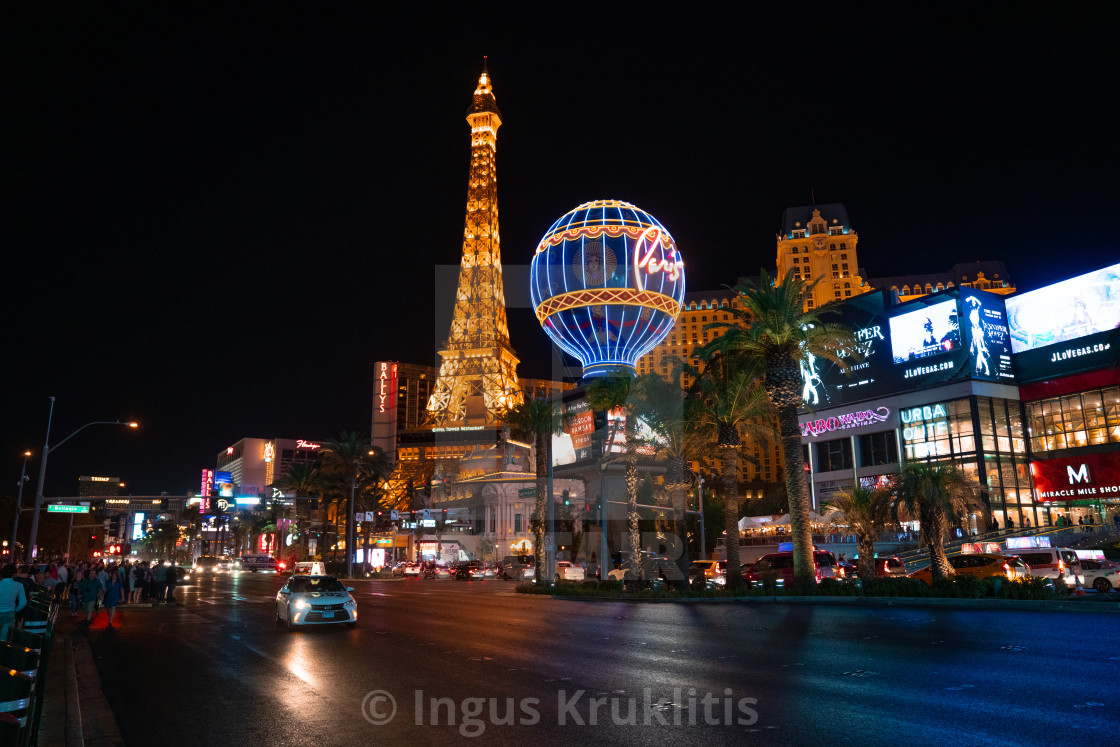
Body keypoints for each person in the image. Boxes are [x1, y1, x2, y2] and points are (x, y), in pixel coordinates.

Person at [0, 564, 28, 641]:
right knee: (4, 638)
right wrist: (15, 609)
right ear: (14, 573)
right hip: (10, 613)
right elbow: (23, 602)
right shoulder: (19, 585)